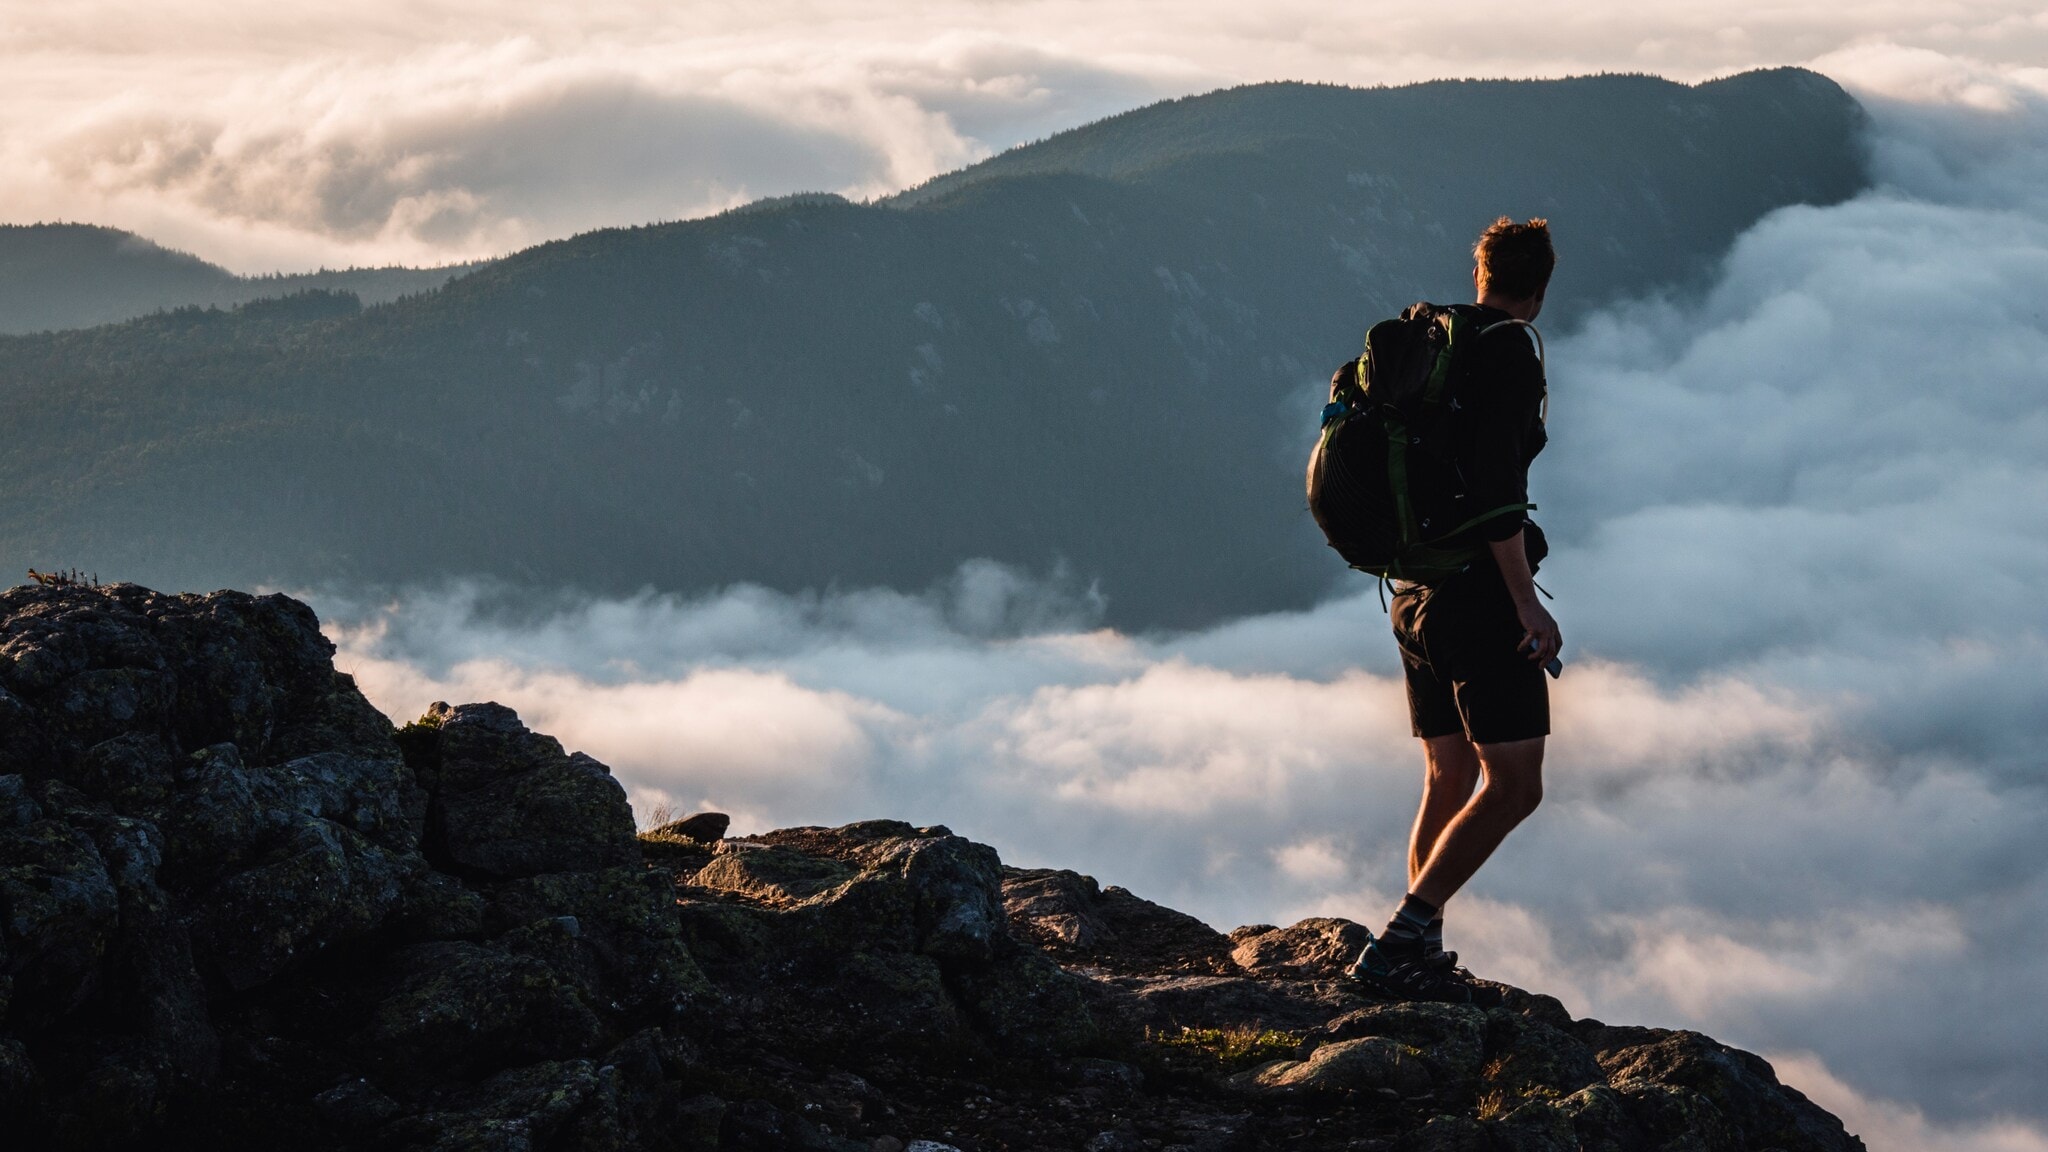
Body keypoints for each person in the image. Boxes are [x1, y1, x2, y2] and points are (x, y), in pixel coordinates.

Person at [1345, 217, 1561, 1004]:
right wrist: (1526, 603)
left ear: (1481, 274)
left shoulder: (1432, 341)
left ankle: (1417, 950)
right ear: (1536, 292)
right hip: (1473, 596)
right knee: (1515, 785)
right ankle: (1402, 936)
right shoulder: (1505, 355)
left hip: (1412, 596)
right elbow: (1497, 491)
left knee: (1449, 770)